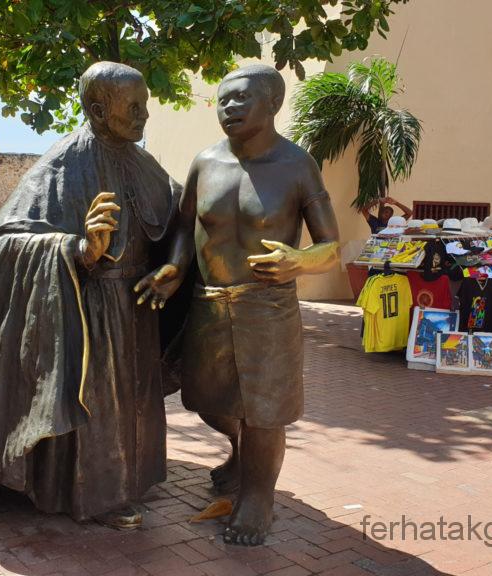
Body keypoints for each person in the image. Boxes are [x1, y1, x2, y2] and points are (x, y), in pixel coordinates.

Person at [0, 62, 178, 530]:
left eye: (145, 105)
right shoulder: (63, 162)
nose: (144, 115)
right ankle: (97, 495)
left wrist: (176, 266)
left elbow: (181, 214)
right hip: (85, 309)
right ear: (97, 109)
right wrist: (79, 249)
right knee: (97, 405)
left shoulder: (143, 161)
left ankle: (129, 478)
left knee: (130, 404)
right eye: (133, 107)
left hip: (135, 307)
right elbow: (3, 246)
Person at [134, 65, 340, 546]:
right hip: (210, 304)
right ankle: (240, 453)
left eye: (241, 99)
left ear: (272, 104)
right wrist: (176, 268)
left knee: (264, 410)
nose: (229, 108)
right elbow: (185, 226)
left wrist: (301, 259)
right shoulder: (205, 162)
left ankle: (258, 498)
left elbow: (331, 243)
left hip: (267, 308)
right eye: (223, 100)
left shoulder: (296, 165)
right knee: (206, 399)